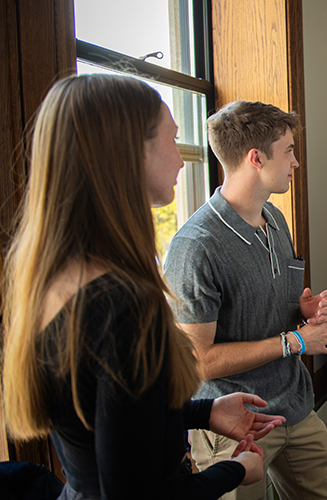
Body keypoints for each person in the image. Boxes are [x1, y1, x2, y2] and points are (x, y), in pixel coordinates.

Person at [1, 74, 285, 500]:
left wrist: (204, 411)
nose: (182, 160)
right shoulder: (122, 304)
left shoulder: (56, 279)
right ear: (129, 152)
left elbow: (110, 421)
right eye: (171, 139)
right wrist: (234, 470)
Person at [163, 100, 327, 500]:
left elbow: (267, 307)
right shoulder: (196, 247)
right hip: (234, 423)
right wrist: (294, 342)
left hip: (295, 408)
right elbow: (199, 360)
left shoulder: (275, 219)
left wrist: (300, 312)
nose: (295, 162)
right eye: (288, 151)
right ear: (255, 158)